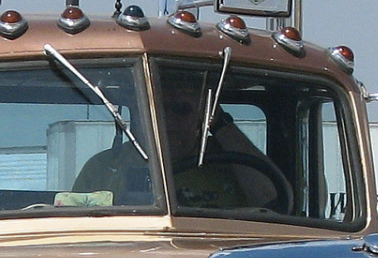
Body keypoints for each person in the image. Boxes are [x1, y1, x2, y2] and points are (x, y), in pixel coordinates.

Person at [71, 69, 287, 211]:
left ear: (203, 113)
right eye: (157, 111)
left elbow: (275, 201)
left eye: (182, 109)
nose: (168, 121)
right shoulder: (102, 168)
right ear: (137, 111)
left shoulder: (237, 165)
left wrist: (220, 123)